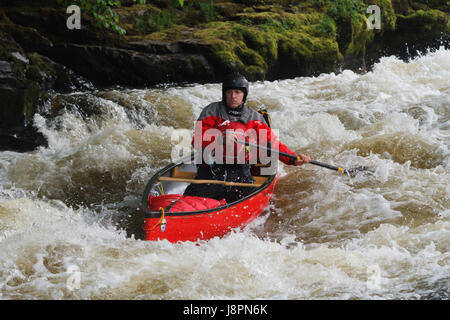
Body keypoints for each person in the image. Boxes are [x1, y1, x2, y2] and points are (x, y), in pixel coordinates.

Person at [183, 73, 310, 203]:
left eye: (237, 92)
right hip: (211, 171)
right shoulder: (211, 111)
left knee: (245, 197)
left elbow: (273, 144)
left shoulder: (254, 118)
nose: (233, 96)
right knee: (189, 201)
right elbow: (197, 140)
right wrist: (219, 139)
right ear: (224, 93)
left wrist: (293, 159)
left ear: (244, 95)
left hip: (240, 173)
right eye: (230, 92)